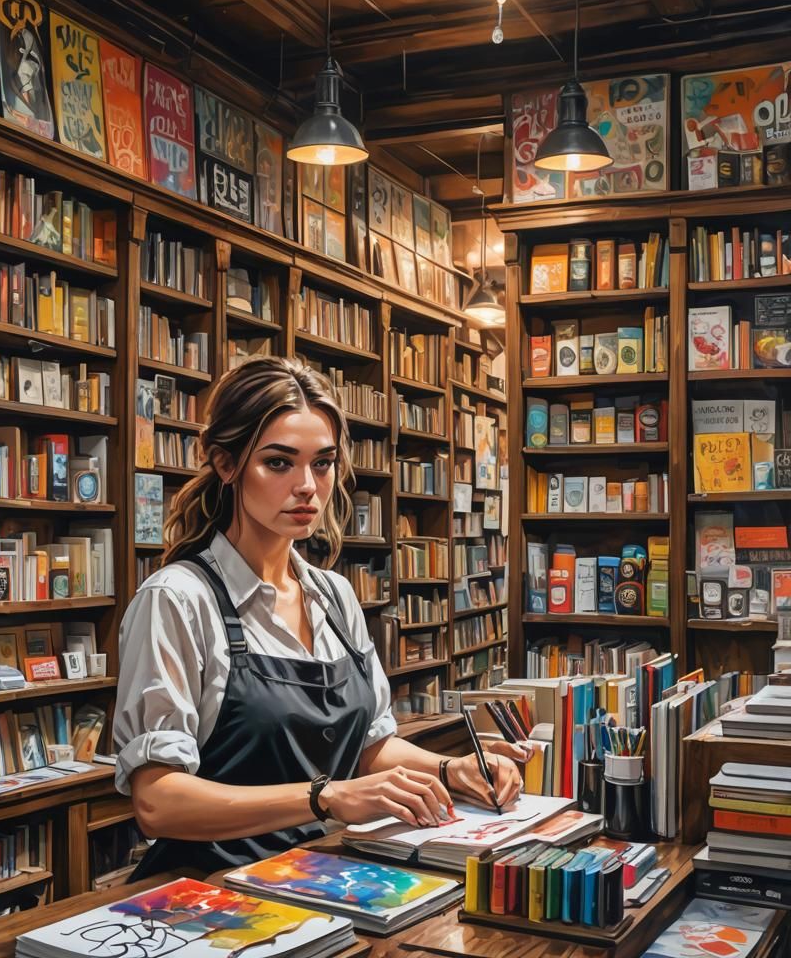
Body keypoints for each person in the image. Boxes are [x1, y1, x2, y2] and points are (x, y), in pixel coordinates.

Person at [113, 357, 528, 877]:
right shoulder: (177, 600)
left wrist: (453, 768)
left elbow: (370, 749)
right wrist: (326, 797)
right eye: (280, 463)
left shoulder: (334, 596)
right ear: (225, 464)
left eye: (323, 463)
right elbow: (158, 803)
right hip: (209, 891)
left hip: (321, 874)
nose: (308, 485)